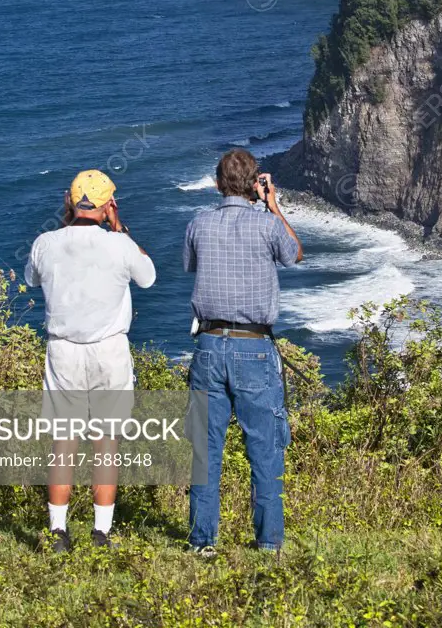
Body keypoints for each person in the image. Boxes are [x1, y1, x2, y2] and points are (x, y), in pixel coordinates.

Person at [24, 169, 156, 552]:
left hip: (63, 351)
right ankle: (100, 533)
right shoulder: (119, 245)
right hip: (109, 351)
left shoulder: (46, 243)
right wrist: (120, 228)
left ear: (70, 199)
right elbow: (147, 278)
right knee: (105, 445)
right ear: (108, 205)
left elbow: (32, 278)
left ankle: (58, 532)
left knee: (64, 443)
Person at [183, 149, 304, 556]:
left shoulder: (198, 223)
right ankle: (268, 542)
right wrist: (273, 206)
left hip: (210, 344)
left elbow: (190, 264)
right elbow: (295, 254)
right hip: (254, 346)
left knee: (205, 448)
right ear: (255, 183)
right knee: (264, 448)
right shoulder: (267, 225)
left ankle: (203, 542)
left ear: (217, 183)